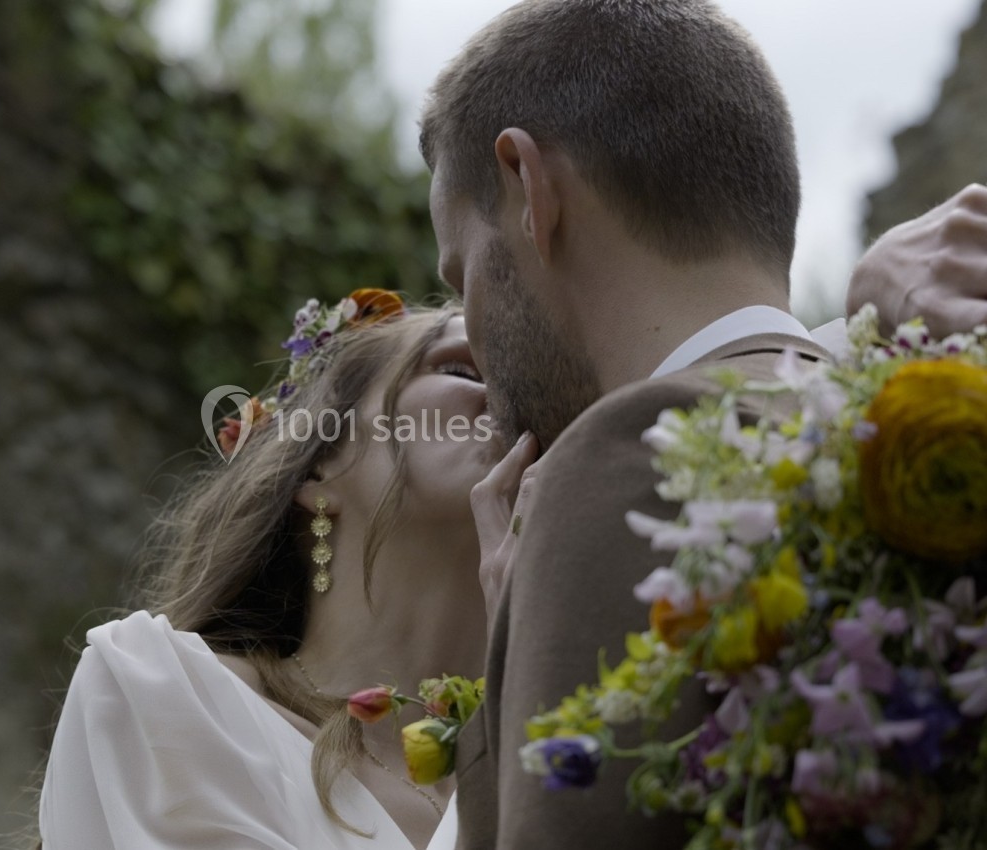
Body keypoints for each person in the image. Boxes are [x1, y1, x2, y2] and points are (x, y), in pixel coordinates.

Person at [414, 2, 987, 849]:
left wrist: (518, 649)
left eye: (462, 270)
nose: (475, 338)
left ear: (528, 187)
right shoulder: (924, 440)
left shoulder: (630, 456)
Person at [37, 295, 536, 850]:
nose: (517, 394)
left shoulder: (585, 747)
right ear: (324, 460)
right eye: (461, 368)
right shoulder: (166, 700)